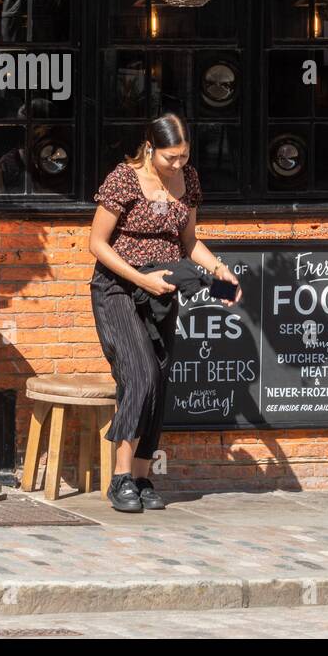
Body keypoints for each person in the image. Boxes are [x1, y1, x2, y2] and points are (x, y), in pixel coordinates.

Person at [88, 113, 240, 513]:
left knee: (159, 377)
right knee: (140, 374)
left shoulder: (187, 181)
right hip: (118, 288)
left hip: (162, 290)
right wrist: (141, 280)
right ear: (151, 148)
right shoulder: (123, 179)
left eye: (184, 156)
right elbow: (97, 244)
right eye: (171, 158)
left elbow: (188, 241)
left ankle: (141, 476)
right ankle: (120, 478)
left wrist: (219, 270)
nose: (178, 165)